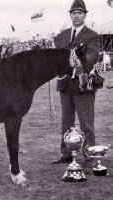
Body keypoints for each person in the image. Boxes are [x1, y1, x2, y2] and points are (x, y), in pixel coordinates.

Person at [51, 0, 100, 169]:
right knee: (66, 122)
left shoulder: (92, 35)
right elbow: (57, 57)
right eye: (74, 13)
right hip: (65, 84)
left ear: (85, 15)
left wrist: (72, 62)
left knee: (86, 123)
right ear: (70, 15)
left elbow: (91, 57)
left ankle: (90, 156)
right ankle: (66, 153)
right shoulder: (62, 35)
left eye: (80, 12)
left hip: (83, 84)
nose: (76, 15)